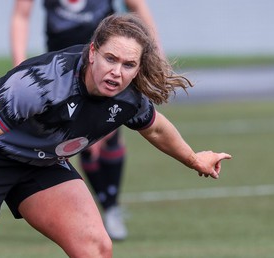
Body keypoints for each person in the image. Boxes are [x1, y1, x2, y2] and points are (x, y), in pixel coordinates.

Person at [0, 13, 232, 258]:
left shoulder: (128, 96)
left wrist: (195, 159)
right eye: (110, 58)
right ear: (92, 53)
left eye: (128, 65)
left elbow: (155, 127)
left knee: (96, 248)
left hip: (43, 163)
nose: (116, 72)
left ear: (138, 67)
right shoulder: (42, 83)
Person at [10, 0, 164, 240]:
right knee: (81, 145)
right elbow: (21, 15)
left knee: (110, 134)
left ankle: (111, 208)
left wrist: (154, 54)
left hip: (111, 62)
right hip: (64, 68)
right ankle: (103, 205)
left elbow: (138, 7)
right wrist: (20, 65)